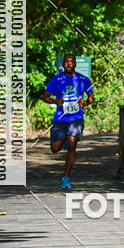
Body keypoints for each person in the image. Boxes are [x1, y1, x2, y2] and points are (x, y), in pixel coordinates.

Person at [42, 54, 94, 189]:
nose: (69, 64)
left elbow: (91, 97)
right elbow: (44, 96)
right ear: (63, 64)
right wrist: (55, 101)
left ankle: (66, 178)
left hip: (76, 118)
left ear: (75, 63)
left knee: (72, 144)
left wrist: (85, 103)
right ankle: (64, 140)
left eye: (71, 61)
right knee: (54, 149)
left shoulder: (83, 79)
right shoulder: (56, 80)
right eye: (66, 61)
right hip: (60, 118)